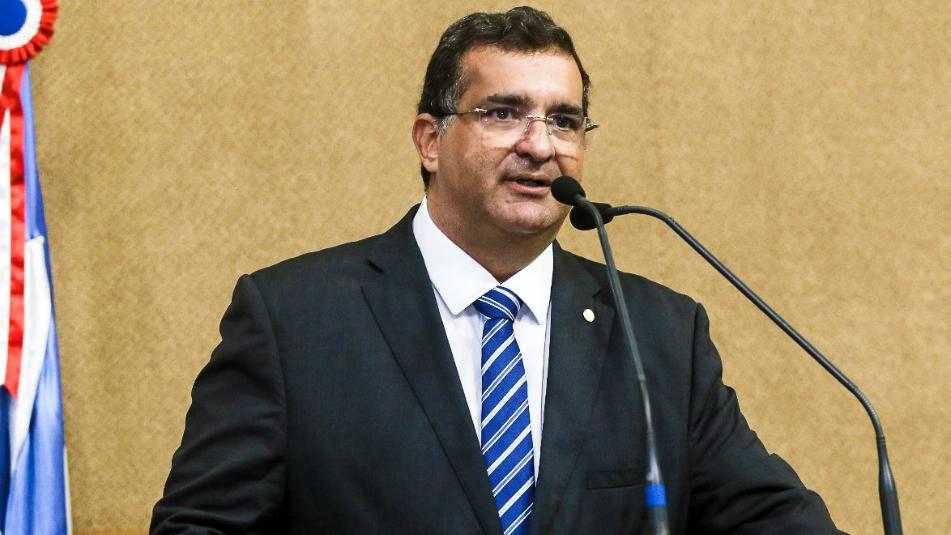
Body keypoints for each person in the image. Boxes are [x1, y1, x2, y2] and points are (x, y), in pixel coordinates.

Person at [151, 6, 841, 534]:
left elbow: (770, 520)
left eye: (564, 121)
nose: (539, 146)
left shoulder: (658, 335)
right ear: (430, 140)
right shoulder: (294, 321)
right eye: (503, 113)